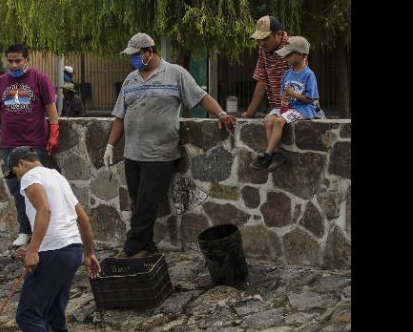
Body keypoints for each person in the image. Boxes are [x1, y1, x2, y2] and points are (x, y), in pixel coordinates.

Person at [103, 32, 235, 258]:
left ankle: (132, 248)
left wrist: (221, 112)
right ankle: (147, 247)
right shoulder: (130, 79)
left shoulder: (175, 73)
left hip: (160, 153)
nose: (132, 60)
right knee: (139, 202)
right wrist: (109, 145)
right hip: (133, 153)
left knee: (146, 203)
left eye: (135, 55)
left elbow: (200, 96)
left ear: (148, 52)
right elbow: (120, 116)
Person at [4, 146, 101, 332]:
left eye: (13, 173)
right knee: (54, 315)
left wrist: (33, 251)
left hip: (53, 251)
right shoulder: (57, 177)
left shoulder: (30, 176)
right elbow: (83, 219)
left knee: (27, 315)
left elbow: (44, 211)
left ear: (22, 163)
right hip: (72, 251)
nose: (16, 179)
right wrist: (89, 253)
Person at [0, 43, 61, 248]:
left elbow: (51, 107)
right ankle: (25, 230)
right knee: (16, 189)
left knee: (40, 189)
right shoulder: (2, 82)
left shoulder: (40, 79)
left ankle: (45, 231)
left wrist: (54, 132)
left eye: (18, 60)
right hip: (9, 144)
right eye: (10, 61)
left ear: (26, 59)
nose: (14, 65)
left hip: (34, 144)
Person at [250, 36, 320, 171]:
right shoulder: (287, 73)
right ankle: (276, 154)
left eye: (288, 54)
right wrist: (284, 97)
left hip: (304, 109)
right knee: (269, 120)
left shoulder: (308, 75)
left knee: (279, 122)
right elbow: (282, 93)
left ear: (300, 55)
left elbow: (311, 100)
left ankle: (267, 155)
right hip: (290, 107)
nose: (285, 57)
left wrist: (293, 94)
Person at [241, 15, 290, 119]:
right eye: (259, 39)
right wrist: (250, 113)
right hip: (277, 110)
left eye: (266, 38)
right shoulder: (263, 49)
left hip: (295, 109)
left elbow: (302, 80)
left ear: (279, 34)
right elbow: (262, 81)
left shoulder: (292, 47)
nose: (261, 43)